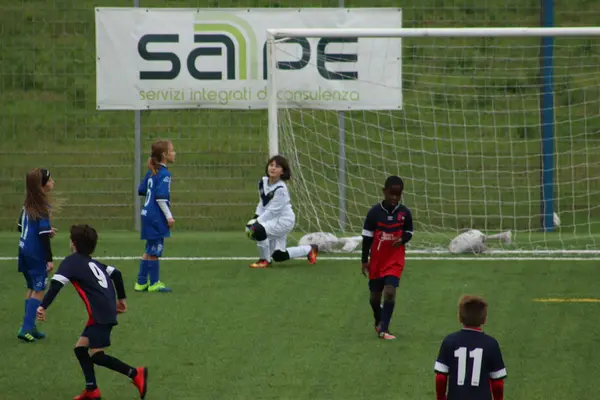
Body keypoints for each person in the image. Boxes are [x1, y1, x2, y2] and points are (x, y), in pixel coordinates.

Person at [37, 224, 148, 400]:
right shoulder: (94, 263)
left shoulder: (71, 262)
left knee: (97, 355)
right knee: (80, 349)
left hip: (100, 314)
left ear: (73, 243)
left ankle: (135, 374)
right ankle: (92, 390)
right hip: (105, 311)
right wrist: (122, 301)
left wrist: (43, 306)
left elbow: (56, 285)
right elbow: (116, 274)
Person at [361, 175, 413, 340]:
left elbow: (409, 231)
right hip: (377, 260)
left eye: (398, 195)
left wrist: (403, 239)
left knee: (390, 292)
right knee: (374, 299)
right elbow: (367, 238)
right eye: (391, 194)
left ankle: (384, 329)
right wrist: (364, 260)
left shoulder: (404, 213)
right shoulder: (374, 213)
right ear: (384, 192)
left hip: (394, 259)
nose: (394, 198)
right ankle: (379, 318)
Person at [246, 155, 318, 268]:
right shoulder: (262, 182)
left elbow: (272, 211)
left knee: (257, 230)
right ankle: (310, 249)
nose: (273, 168)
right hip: (272, 220)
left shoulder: (281, 189)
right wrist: (255, 217)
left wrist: (256, 222)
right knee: (279, 255)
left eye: (277, 166)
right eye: (271, 165)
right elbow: (262, 203)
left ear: (282, 172)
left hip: (283, 221)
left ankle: (264, 260)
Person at [433, 295, 507, 400]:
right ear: (484, 319)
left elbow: (440, 377)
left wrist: (440, 397)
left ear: (459, 317)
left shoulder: (449, 341)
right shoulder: (491, 344)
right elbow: (497, 383)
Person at [17, 168, 57, 342]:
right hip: (35, 253)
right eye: (49, 179)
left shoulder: (27, 204)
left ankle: (30, 327)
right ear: (42, 186)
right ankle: (25, 328)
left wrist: (47, 231)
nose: (53, 181)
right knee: (39, 289)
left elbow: (21, 227)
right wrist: (49, 258)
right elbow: (41, 235)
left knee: (31, 287)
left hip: (23, 249)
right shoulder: (42, 207)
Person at [135, 139, 175, 293]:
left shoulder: (152, 172)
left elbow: (141, 190)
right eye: (172, 151)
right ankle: (154, 283)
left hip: (146, 214)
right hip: (156, 217)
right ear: (165, 155)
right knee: (155, 250)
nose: (174, 153)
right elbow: (161, 197)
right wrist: (169, 217)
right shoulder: (164, 174)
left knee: (149, 248)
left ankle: (141, 282)